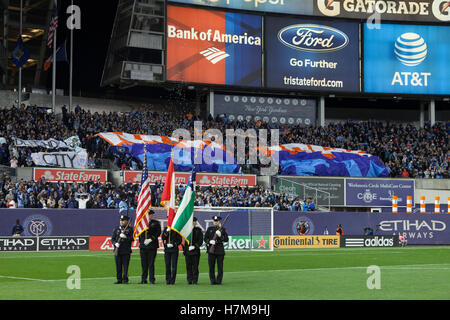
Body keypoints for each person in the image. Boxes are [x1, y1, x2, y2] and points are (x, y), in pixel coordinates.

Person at [204, 215, 229, 285]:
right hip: (211, 250)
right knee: (211, 266)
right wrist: (209, 242)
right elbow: (205, 238)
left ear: (219, 222)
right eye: (215, 221)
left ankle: (219, 281)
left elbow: (226, 239)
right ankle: (212, 280)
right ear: (213, 222)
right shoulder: (209, 229)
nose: (216, 222)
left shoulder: (223, 229)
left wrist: (221, 235)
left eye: (217, 221)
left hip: (220, 250)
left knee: (220, 267)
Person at [138, 210, 161, 284]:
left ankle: (152, 279)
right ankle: (143, 279)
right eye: (149, 214)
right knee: (143, 264)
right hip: (143, 246)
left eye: (151, 215)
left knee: (151, 263)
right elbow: (140, 233)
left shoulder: (156, 223)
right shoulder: (142, 223)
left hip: (152, 246)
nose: (150, 216)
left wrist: (151, 239)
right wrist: (142, 241)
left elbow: (158, 232)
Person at [111, 215, 133, 284]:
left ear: (126, 221)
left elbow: (132, 239)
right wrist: (115, 244)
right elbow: (113, 239)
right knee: (118, 266)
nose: (121, 222)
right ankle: (119, 279)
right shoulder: (116, 229)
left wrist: (126, 237)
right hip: (118, 251)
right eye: (121, 220)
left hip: (126, 250)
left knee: (126, 266)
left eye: (123, 220)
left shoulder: (130, 229)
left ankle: (125, 279)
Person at [182, 217, 203, 285]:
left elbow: (200, 241)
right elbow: (185, 241)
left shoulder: (198, 230)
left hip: (195, 251)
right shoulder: (187, 230)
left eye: (195, 221)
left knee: (195, 267)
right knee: (188, 266)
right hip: (188, 251)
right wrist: (186, 249)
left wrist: (195, 246)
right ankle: (189, 280)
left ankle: (195, 280)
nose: (195, 223)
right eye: (193, 221)